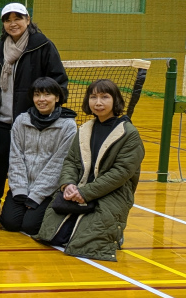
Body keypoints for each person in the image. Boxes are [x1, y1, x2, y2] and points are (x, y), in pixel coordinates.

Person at [38, 79, 145, 261]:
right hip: (79, 191)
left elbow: (120, 173)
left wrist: (85, 193)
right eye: (93, 97)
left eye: (105, 97)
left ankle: (116, 233)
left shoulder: (129, 134)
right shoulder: (85, 129)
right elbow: (71, 161)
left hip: (112, 193)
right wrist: (68, 185)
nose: (98, 103)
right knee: (54, 236)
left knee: (86, 243)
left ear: (116, 100)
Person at [0, 3, 67, 212]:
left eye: (17, 18)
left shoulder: (43, 46)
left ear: (28, 20)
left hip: (32, 121)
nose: (13, 24)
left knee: (28, 162)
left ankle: (30, 199)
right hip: (1, 119)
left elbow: (58, 82)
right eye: (8, 20)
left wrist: (43, 110)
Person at [1, 77, 77, 236]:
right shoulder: (21, 121)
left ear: (57, 98)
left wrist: (37, 195)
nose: (41, 99)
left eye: (47, 94)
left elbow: (58, 164)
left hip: (48, 190)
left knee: (30, 226)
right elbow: (15, 157)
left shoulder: (68, 126)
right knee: (10, 223)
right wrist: (20, 190)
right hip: (22, 185)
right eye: (37, 95)